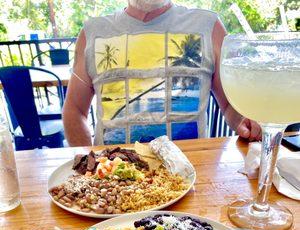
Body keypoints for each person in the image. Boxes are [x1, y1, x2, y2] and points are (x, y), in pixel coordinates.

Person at [63, 0, 261, 146]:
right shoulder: (93, 31)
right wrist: (87, 162)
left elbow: (230, 105)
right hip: (113, 180)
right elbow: (74, 109)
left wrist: (246, 120)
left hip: (193, 175)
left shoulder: (209, 26)